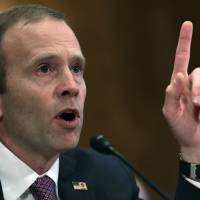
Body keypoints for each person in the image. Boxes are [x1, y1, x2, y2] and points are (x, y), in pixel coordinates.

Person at [0, 4, 198, 200]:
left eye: (76, 68)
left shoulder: (108, 179)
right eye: (44, 68)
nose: (72, 86)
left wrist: (193, 150)